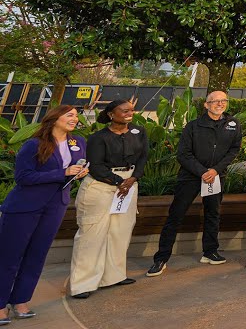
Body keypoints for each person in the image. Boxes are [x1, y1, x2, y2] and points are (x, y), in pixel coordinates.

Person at [0, 106, 88, 322]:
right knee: (9, 257)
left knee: (37, 256)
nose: (74, 119)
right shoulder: (34, 144)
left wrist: (79, 173)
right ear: (54, 118)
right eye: (69, 115)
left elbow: (72, 170)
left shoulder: (78, 143)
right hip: (24, 207)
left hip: (56, 206)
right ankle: (0, 304)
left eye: (76, 116)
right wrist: (62, 173)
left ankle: (21, 300)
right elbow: (23, 177)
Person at [148, 89, 243, 276]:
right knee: (176, 216)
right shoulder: (193, 126)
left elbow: (234, 150)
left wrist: (215, 170)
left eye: (223, 100)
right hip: (191, 176)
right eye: (215, 101)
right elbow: (183, 154)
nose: (220, 104)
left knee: (212, 214)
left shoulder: (233, 124)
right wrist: (202, 171)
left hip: (215, 176)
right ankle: (161, 258)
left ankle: (210, 252)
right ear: (206, 105)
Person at [69, 100, 148, 299]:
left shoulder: (139, 132)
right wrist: (118, 181)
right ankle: (82, 284)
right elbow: (95, 166)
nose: (130, 113)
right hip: (101, 186)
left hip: (129, 184)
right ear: (112, 114)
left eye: (131, 110)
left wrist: (133, 178)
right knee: (92, 235)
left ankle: (114, 276)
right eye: (125, 110)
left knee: (120, 232)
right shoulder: (98, 137)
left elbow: (143, 157)